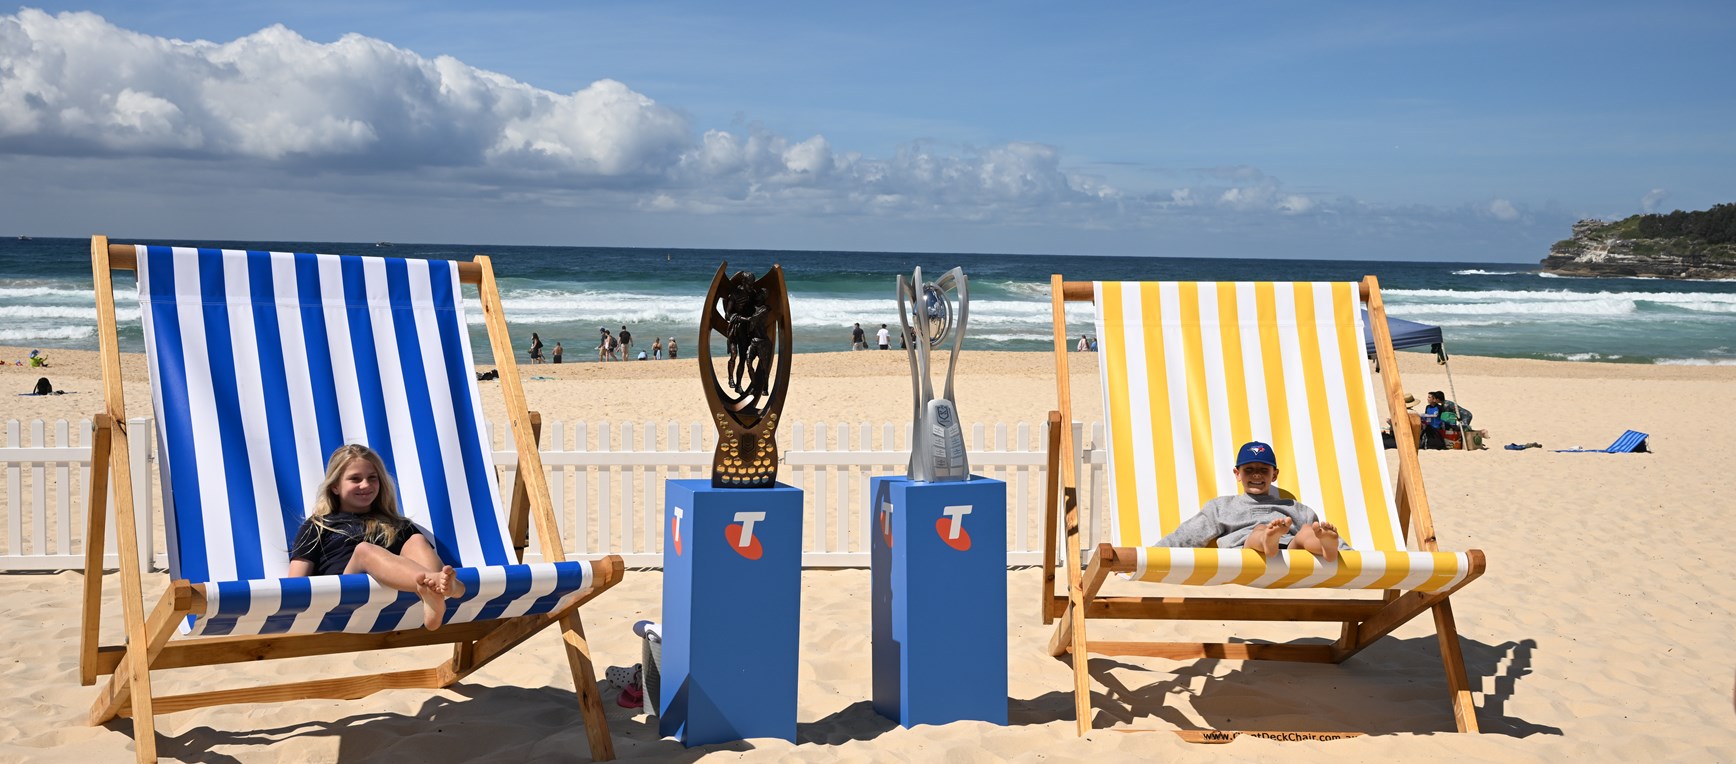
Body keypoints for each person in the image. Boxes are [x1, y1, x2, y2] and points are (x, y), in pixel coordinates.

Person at [288, 444, 464, 631]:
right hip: (342, 603)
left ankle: (435, 593)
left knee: (416, 540)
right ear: (335, 487)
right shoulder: (318, 525)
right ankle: (453, 588)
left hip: (390, 605)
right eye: (355, 479)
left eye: (372, 478)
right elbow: (295, 583)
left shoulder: (397, 524)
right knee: (364, 551)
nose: (365, 485)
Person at [1154, 441, 1346, 562]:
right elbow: (1188, 535)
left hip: (1290, 552)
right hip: (1246, 554)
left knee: (1306, 532)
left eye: (1264, 470)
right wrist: (1152, 555)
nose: (1256, 474)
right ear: (1237, 474)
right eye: (1249, 469)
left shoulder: (1296, 508)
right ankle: (1266, 538)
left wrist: (1347, 551)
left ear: (1275, 475)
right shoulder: (1221, 507)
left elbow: (1317, 530)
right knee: (1259, 531)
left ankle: (1325, 548)